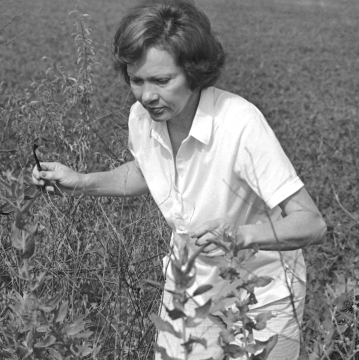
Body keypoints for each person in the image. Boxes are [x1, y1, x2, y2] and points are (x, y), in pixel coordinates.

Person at [31, 0, 326, 358]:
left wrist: (242, 235)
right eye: (136, 80)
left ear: (194, 72)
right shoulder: (141, 119)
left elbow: (310, 222)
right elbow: (148, 172)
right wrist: (81, 181)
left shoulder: (239, 124)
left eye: (162, 80)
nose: (147, 95)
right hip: (187, 290)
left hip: (260, 302)